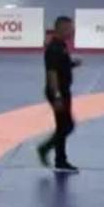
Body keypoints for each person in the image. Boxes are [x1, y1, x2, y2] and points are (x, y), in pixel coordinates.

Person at [36, 16, 80, 173]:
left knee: (62, 126)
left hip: (63, 91)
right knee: (67, 126)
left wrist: (72, 64)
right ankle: (45, 149)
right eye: (70, 28)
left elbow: (61, 65)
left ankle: (60, 160)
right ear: (61, 29)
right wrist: (57, 96)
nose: (73, 31)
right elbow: (52, 74)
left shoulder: (61, 45)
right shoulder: (53, 49)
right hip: (58, 92)